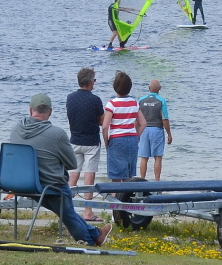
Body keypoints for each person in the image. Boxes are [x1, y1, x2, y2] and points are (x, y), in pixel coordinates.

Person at [9, 93, 113, 246]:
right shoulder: (57, 134)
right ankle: (90, 239)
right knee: (65, 205)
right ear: (50, 112)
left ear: (30, 110)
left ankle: (97, 234)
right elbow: (72, 164)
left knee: (64, 208)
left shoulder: (16, 128)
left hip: (19, 182)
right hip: (48, 185)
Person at [66, 67, 104, 221]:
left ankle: (67, 209)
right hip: (91, 142)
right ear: (89, 82)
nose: (94, 83)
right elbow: (101, 121)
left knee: (73, 175)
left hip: (74, 140)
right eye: (94, 80)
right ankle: (88, 211)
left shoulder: (70, 97)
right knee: (89, 176)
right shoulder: (95, 99)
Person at [102, 71, 143, 182]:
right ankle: (126, 199)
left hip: (117, 139)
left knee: (116, 177)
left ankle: (115, 198)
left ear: (115, 86)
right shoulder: (134, 103)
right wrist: (136, 136)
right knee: (128, 177)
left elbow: (105, 127)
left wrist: (107, 143)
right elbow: (143, 123)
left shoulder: (112, 104)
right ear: (130, 87)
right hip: (132, 139)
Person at [137, 80, 173, 182]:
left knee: (144, 157)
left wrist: (137, 133)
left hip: (144, 130)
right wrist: (169, 134)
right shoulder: (161, 101)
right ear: (160, 89)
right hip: (157, 130)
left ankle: (142, 181)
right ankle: (156, 181)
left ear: (149, 88)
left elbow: (137, 119)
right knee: (158, 157)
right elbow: (165, 119)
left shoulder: (141, 100)